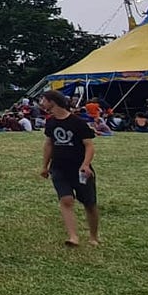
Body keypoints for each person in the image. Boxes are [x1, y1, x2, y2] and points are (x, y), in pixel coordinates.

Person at [38, 90, 99, 247]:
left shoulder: (77, 122)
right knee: (66, 200)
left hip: (79, 169)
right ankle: (73, 237)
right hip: (59, 167)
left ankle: (93, 236)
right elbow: (49, 144)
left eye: (43, 100)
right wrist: (45, 166)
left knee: (89, 204)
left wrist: (85, 164)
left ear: (52, 101)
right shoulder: (50, 122)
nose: (41, 103)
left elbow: (89, 145)